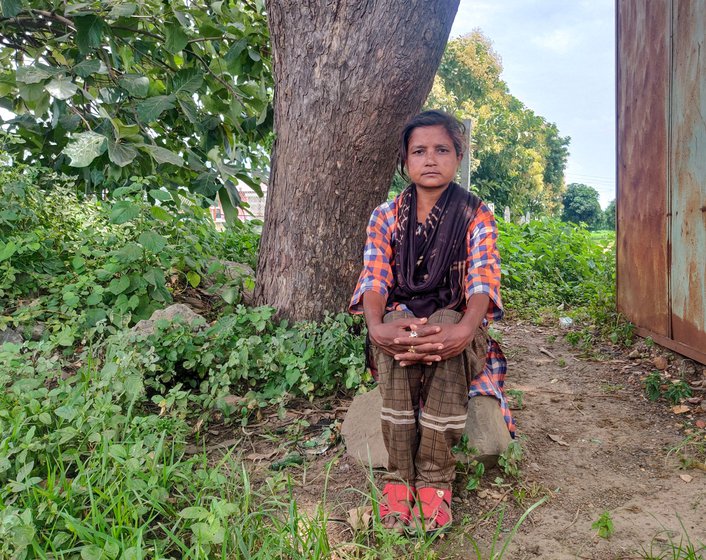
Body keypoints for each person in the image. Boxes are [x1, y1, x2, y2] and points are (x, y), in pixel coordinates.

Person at [349, 110, 514, 534]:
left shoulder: (477, 214)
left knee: (443, 320)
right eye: (418, 151)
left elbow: (481, 281)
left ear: (458, 157)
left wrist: (464, 330)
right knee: (398, 325)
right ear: (405, 160)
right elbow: (375, 278)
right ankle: (399, 478)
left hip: (455, 326)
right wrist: (377, 327)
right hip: (402, 325)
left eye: (442, 149)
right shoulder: (385, 216)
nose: (430, 159)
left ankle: (436, 480)